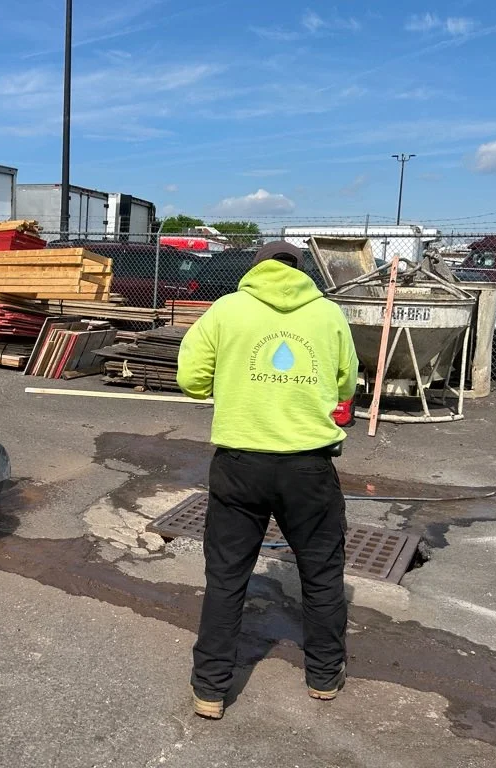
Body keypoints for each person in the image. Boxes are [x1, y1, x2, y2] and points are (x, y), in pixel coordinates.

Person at [177, 241, 358, 719]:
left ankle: (210, 689)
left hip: (241, 462)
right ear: (302, 271)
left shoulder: (227, 310)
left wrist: (235, 381)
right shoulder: (328, 314)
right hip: (309, 466)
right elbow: (345, 382)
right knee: (320, 573)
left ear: (256, 269)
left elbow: (192, 380)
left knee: (227, 576)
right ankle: (323, 675)